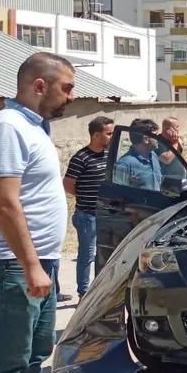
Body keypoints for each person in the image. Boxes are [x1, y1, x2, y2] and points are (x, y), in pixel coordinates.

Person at [0, 52, 86, 373]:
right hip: (13, 264)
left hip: (41, 263)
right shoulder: (8, 128)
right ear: (39, 85)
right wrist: (30, 264)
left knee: (33, 356)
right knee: (5, 362)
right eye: (66, 87)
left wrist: (42, 264)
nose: (72, 95)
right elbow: (5, 202)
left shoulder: (36, 128)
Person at [63, 115, 114, 297]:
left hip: (106, 215)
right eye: (109, 133)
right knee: (86, 256)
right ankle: (84, 294)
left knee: (105, 256)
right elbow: (68, 184)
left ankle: (100, 292)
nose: (112, 136)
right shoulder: (81, 158)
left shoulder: (110, 155)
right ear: (96, 135)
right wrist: (85, 195)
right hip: (87, 216)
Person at [113, 119, 162, 190]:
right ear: (146, 139)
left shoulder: (153, 156)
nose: (159, 139)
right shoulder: (124, 164)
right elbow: (118, 194)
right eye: (156, 136)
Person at [159, 117, 186, 193]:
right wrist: (175, 144)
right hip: (167, 183)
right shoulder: (158, 142)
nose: (179, 130)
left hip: (179, 181)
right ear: (169, 129)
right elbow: (166, 159)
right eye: (177, 127)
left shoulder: (173, 141)